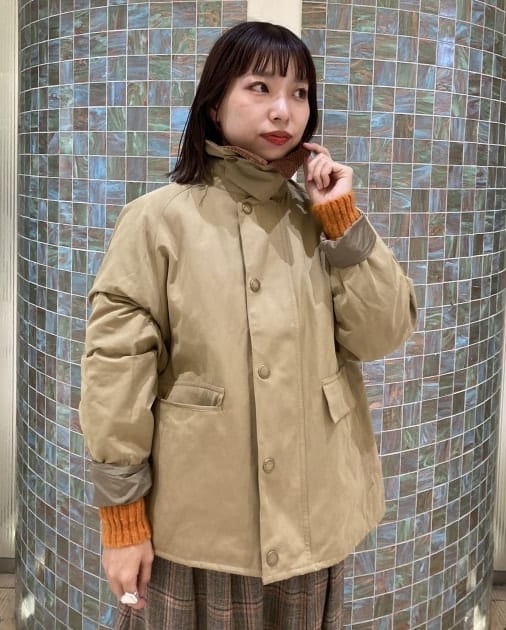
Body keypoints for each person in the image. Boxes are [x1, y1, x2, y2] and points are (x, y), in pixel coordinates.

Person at [79, 21, 416, 630]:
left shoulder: (321, 220)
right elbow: (115, 374)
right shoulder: (156, 221)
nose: (283, 110)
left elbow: (381, 335)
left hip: (310, 522)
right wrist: (122, 519)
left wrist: (342, 223)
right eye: (260, 87)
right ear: (215, 102)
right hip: (198, 531)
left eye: (299, 93)